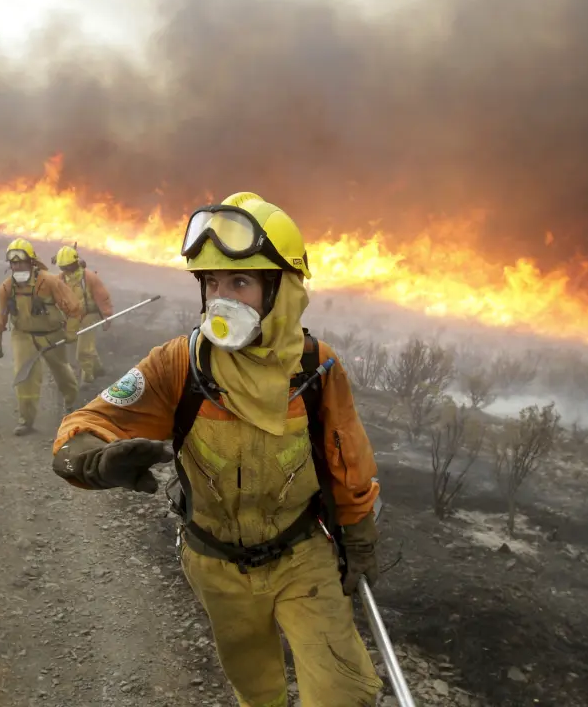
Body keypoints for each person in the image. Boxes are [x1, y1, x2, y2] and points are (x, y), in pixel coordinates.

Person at [49, 193, 384, 706]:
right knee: (257, 691)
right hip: (217, 565)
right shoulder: (179, 365)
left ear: (281, 289)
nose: (220, 299)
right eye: (211, 282)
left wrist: (358, 535)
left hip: (302, 556)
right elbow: (88, 423)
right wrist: (92, 460)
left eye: (240, 282)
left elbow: (347, 458)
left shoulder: (318, 369)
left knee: (343, 693)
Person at [0, 237, 84, 436]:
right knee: (24, 377)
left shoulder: (49, 282)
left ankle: (71, 404)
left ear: (31, 261)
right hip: (23, 336)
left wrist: (71, 330)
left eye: (21, 262)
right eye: (13, 263)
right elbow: (1, 314)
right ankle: (26, 420)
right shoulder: (6, 288)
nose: (16, 266)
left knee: (62, 372)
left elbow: (73, 307)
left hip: (52, 335)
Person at [54, 244, 115, 384]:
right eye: (63, 268)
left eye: (68, 267)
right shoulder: (59, 280)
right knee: (84, 344)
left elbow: (102, 297)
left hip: (90, 315)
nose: (66, 271)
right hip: (73, 317)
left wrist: (107, 315)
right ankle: (98, 369)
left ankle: (87, 378)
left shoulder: (89, 278)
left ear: (75, 264)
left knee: (83, 351)